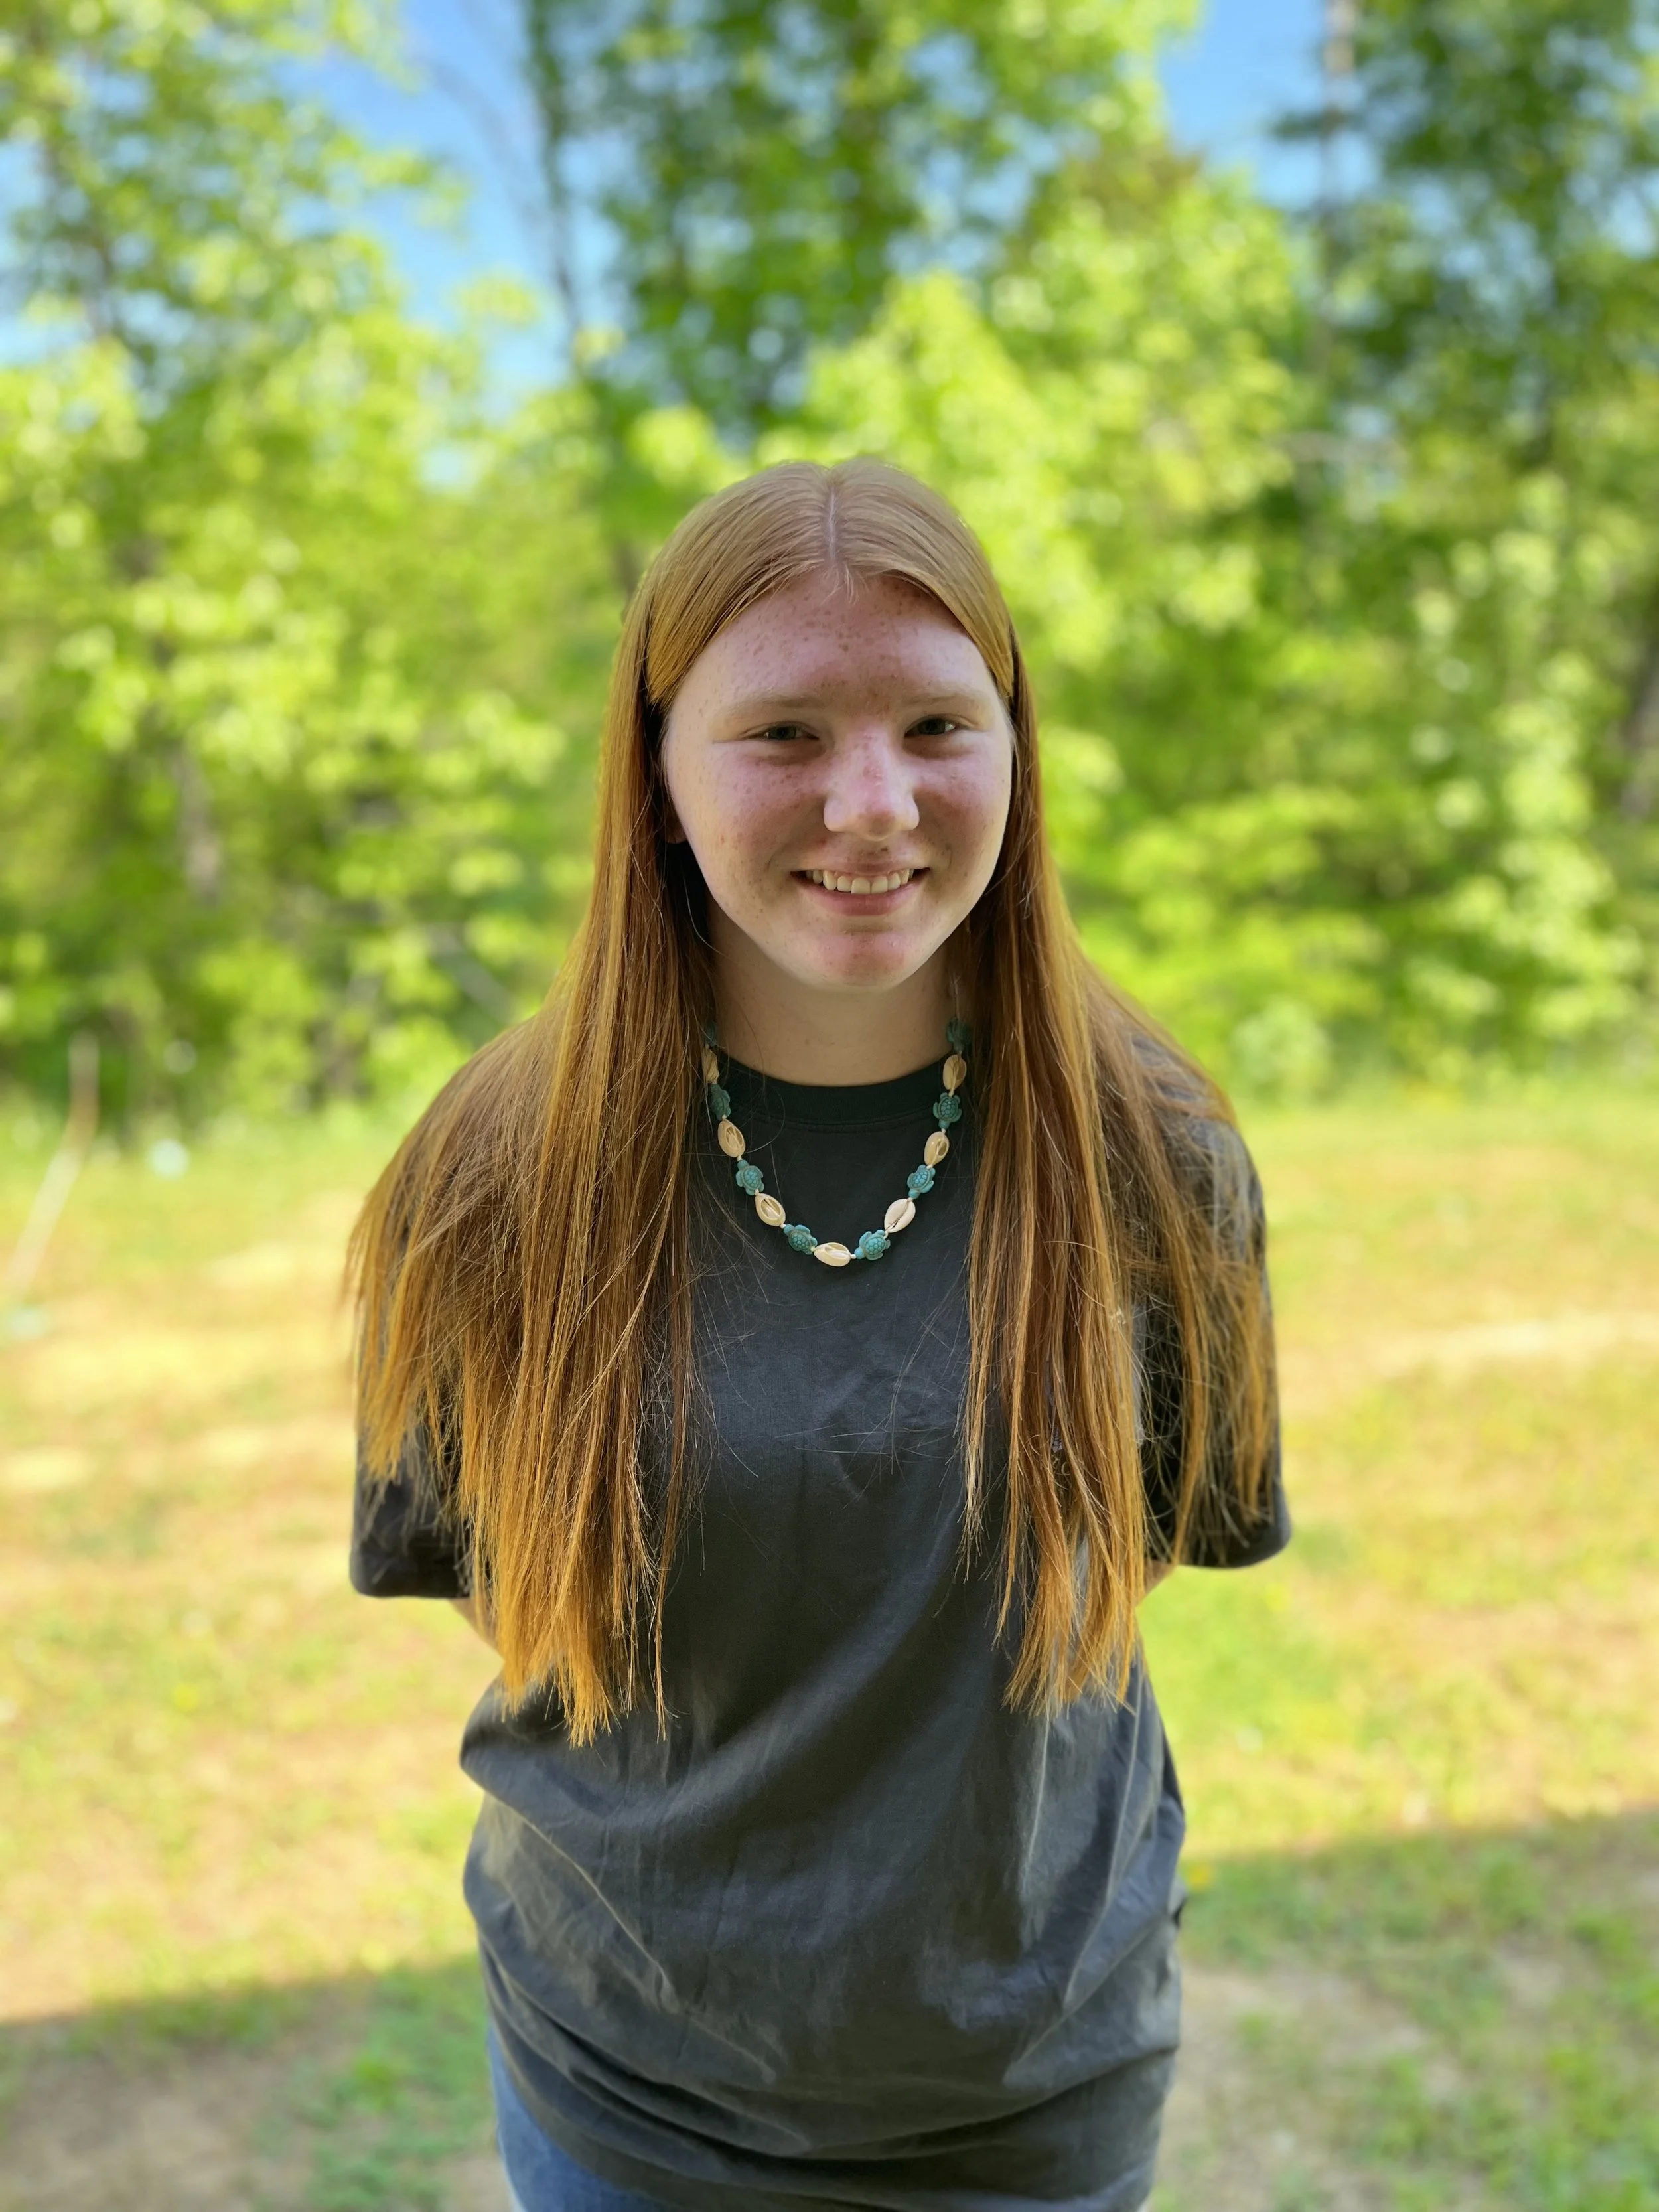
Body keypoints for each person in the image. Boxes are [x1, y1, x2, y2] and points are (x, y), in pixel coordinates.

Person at [348, 457, 1287, 2212]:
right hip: (625, 2084)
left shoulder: (1158, 1157)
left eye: (936, 725)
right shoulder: (487, 1176)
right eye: (782, 732)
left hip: (1029, 2088)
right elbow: (503, 1579)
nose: (872, 803)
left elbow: (1137, 1548)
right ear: (654, 774)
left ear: (1014, 748)